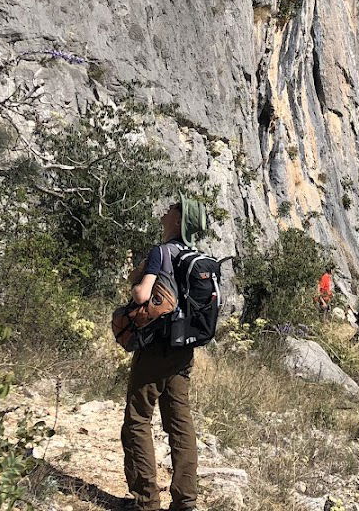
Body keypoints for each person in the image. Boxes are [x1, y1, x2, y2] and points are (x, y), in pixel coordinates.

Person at [121, 195, 210, 511]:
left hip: (155, 348)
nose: (167, 208)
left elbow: (143, 293)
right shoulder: (197, 256)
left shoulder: (161, 252)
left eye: (173, 207)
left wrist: (136, 286)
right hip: (183, 351)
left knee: (137, 419)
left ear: (178, 219)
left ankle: (146, 502)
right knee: (179, 423)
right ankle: (185, 500)